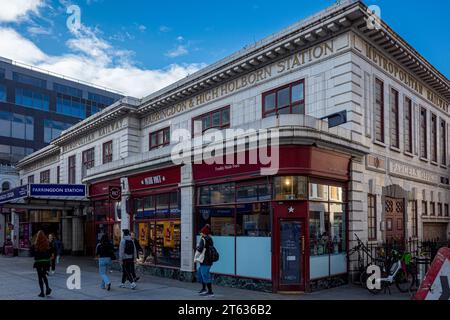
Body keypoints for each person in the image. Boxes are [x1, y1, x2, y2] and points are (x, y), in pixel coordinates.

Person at [31, 231, 52, 298]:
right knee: (44, 275)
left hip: (38, 262)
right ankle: (48, 288)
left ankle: (42, 292)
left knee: (40, 277)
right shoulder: (47, 244)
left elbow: (32, 253)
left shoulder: (36, 244)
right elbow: (49, 253)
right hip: (46, 262)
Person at [195, 224, 214, 297]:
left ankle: (210, 291)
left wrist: (197, 247)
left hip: (205, 260)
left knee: (204, 275)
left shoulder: (204, 239)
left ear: (204, 233)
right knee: (201, 273)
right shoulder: (209, 239)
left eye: (201, 232)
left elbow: (200, 249)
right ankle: (204, 289)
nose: (200, 233)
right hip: (207, 260)